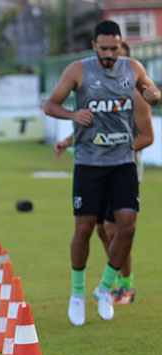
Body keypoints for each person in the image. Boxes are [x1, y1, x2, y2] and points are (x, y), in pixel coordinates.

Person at [43, 20, 160, 326]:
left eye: (115, 48)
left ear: (121, 46)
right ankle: (78, 294)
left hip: (122, 162)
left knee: (126, 229)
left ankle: (105, 288)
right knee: (84, 230)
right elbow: (50, 105)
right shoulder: (77, 70)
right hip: (89, 163)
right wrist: (72, 115)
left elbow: (153, 94)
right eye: (104, 48)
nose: (110, 54)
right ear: (94, 46)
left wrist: (154, 96)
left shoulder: (132, 68)